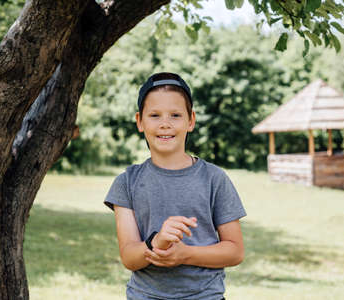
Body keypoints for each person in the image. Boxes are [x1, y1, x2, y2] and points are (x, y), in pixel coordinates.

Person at [104, 72, 246, 300]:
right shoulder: (127, 182)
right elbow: (129, 258)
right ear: (140, 121)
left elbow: (235, 251)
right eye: (155, 115)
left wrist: (186, 254)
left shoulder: (214, 178)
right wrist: (156, 242)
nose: (165, 124)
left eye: (175, 115)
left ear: (191, 121)